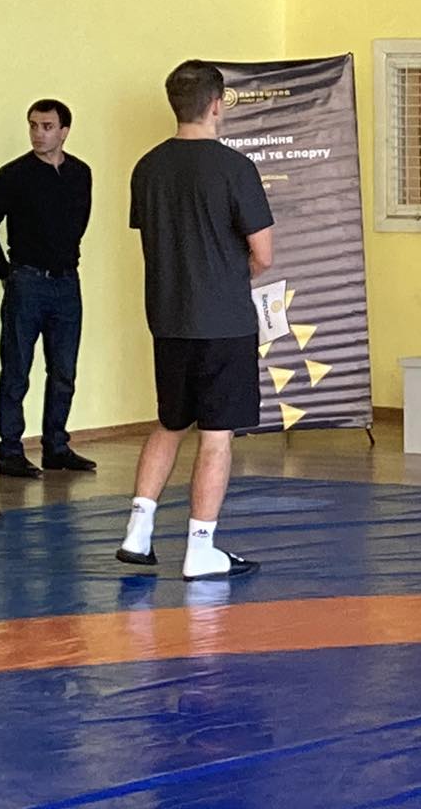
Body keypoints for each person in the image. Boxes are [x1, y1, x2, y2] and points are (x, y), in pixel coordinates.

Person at [117, 60, 272, 581]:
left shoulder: (147, 167)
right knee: (216, 436)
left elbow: (157, 238)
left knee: (169, 422)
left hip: (168, 318)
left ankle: (138, 531)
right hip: (223, 321)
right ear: (216, 104)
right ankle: (201, 547)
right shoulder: (235, 168)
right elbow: (264, 253)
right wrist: (230, 274)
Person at [0, 99, 95, 477]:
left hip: (67, 280)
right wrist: (5, 272)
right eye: (33, 125)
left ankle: (56, 445)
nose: (38, 133)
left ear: (64, 131)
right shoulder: (13, 174)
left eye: (47, 126)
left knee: (64, 370)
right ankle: (10, 450)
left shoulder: (80, 172)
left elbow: (79, 223)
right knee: (16, 369)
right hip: (27, 280)